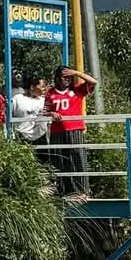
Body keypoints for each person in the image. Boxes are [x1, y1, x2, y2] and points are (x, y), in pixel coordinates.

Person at [45, 64, 96, 198]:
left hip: (75, 129)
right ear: (57, 78)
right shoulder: (51, 92)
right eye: (64, 77)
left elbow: (93, 82)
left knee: (78, 159)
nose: (67, 80)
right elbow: (45, 111)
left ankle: (82, 191)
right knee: (59, 160)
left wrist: (76, 73)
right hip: (57, 131)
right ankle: (63, 190)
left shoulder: (77, 90)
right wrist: (52, 113)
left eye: (69, 77)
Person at [11, 72, 50, 165]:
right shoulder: (17, 98)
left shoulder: (44, 100)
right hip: (22, 136)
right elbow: (9, 115)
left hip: (40, 136)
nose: (44, 89)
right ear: (32, 87)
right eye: (42, 86)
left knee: (43, 163)